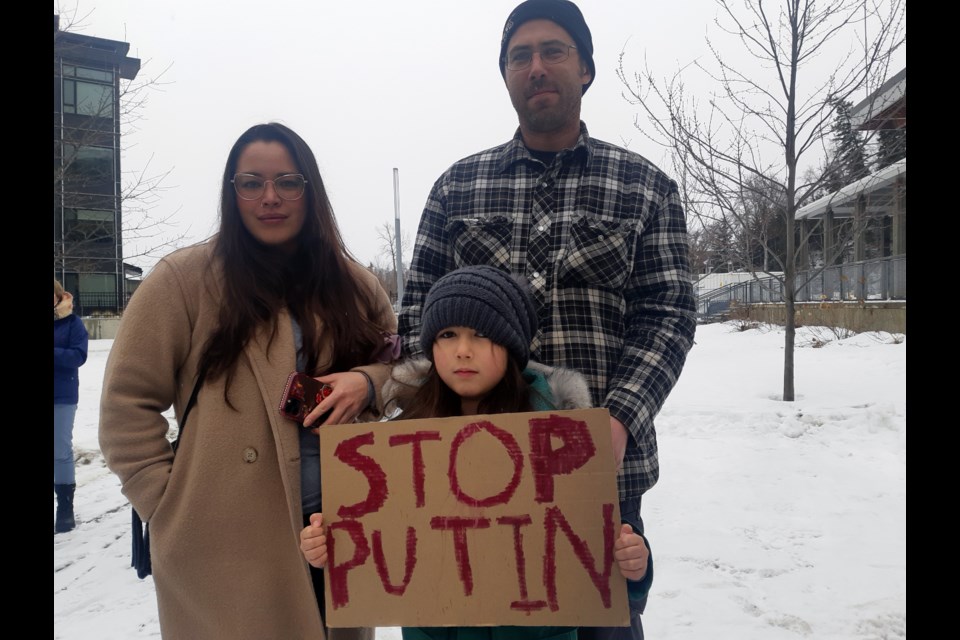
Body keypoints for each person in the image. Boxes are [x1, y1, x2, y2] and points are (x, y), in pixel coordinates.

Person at [397, 2, 698, 637]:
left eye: (553, 51)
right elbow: (416, 317)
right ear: (505, 75)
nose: (536, 67)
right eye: (519, 56)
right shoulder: (456, 190)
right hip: (471, 479)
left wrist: (617, 419)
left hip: (600, 480)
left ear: (585, 68)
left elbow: (668, 314)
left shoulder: (645, 188)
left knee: (601, 627)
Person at [99, 122, 397, 640]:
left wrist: (365, 383)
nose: (270, 197)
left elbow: (406, 373)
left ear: (311, 190)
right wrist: (168, 509)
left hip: (340, 533)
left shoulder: (355, 285)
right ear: (231, 192)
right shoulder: (182, 281)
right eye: (251, 183)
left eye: (288, 181)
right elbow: (126, 406)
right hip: (223, 545)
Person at [301, 265, 652, 640]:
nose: (463, 351)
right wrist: (328, 551)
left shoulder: (562, 438)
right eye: (448, 335)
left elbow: (597, 548)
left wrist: (635, 564)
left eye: (482, 334)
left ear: (512, 345)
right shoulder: (400, 440)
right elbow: (374, 549)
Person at [54, 278, 89, 534]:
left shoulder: (73, 323)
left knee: (59, 450)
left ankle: (65, 507)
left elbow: (78, 356)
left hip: (62, 396)